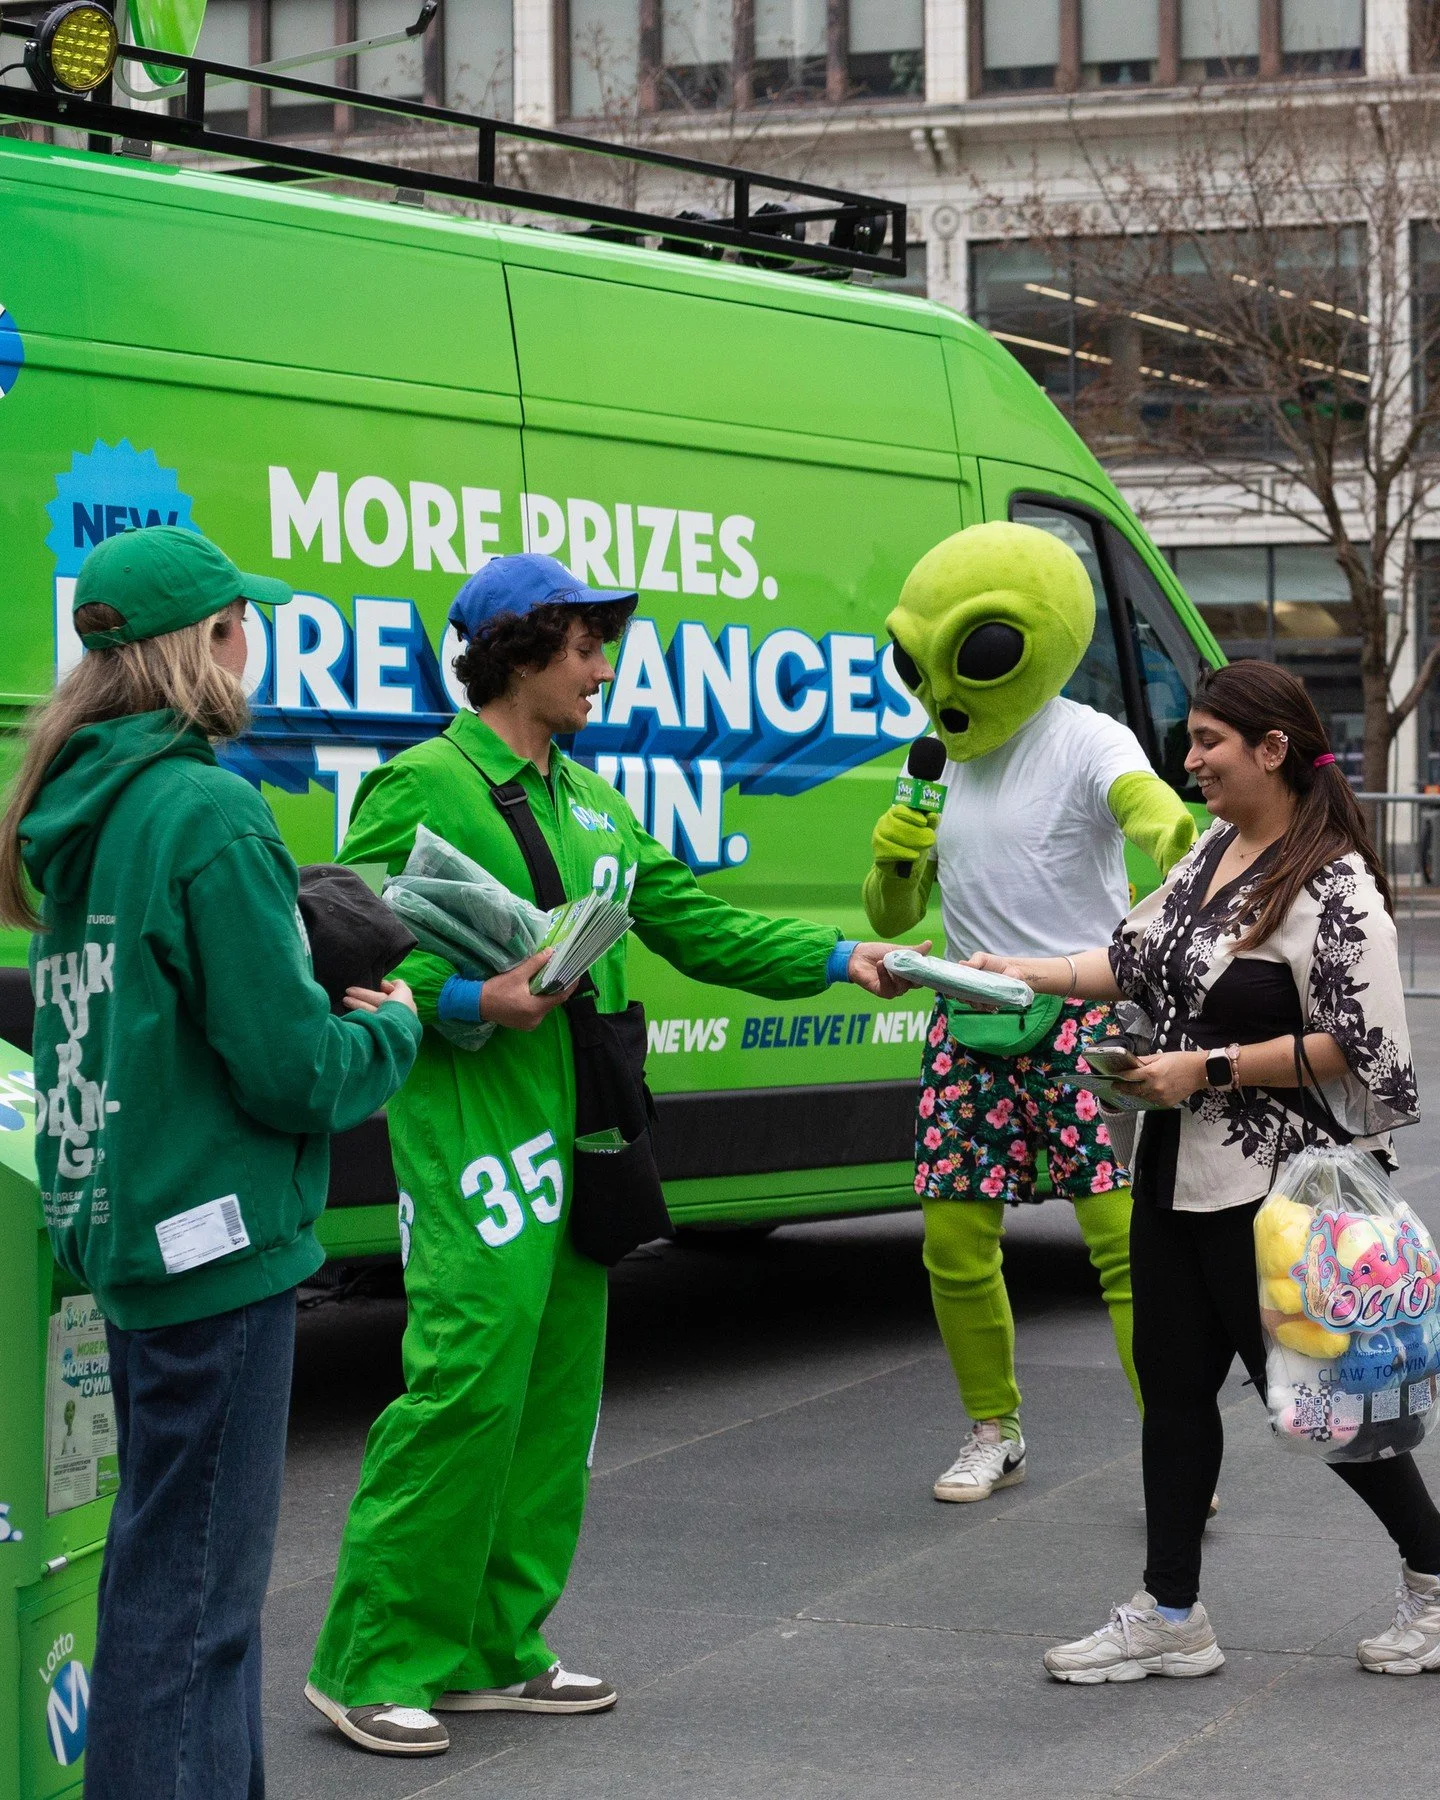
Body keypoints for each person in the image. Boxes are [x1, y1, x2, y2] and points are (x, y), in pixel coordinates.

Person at [305, 552, 920, 1756]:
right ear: (518, 651)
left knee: (554, 1401)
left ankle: (495, 1648)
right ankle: (368, 1661)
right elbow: (362, 952)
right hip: (474, 1130)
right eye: (585, 648)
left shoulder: (593, 799)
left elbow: (692, 920)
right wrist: (478, 998)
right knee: (466, 1383)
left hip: (585, 1128)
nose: (603, 669)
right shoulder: (422, 782)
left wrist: (839, 959)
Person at [0, 526, 423, 1800]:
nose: (257, 642)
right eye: (245, 622)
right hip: (219, 1241)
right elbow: (290, 1067)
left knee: (175, 1586)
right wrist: (389, 1032)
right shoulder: (206, 809)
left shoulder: (85, 806)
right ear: (209, 642)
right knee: (191, 1606)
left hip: (132, 1231)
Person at [968, 659, 1440, 1681]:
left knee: (1317, 1398)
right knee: (1174, 1391)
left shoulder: (1336, 885)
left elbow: (1363, 1048)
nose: (1189, 761)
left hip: (1276, 1189)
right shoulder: (1213, 852)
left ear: (1272, 749)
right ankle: (1172, 1611)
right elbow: (1128, 962)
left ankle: (1436, 1577)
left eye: (1208, 742)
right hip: (1175, 1167)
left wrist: (1209, 1066)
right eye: (1190, 741)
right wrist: (1022, 974)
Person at [864, 521, 1196, 1503]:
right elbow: (891, 916)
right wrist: (895, 858)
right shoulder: (938, 758)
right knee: (954, 1243)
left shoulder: (1089, 736)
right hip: (967, 1018)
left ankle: (1173, 1443)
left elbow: (1153, 815)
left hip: (1081, 1013)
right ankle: (992, 1430)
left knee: (1121, 1245)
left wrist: (1182, 851)